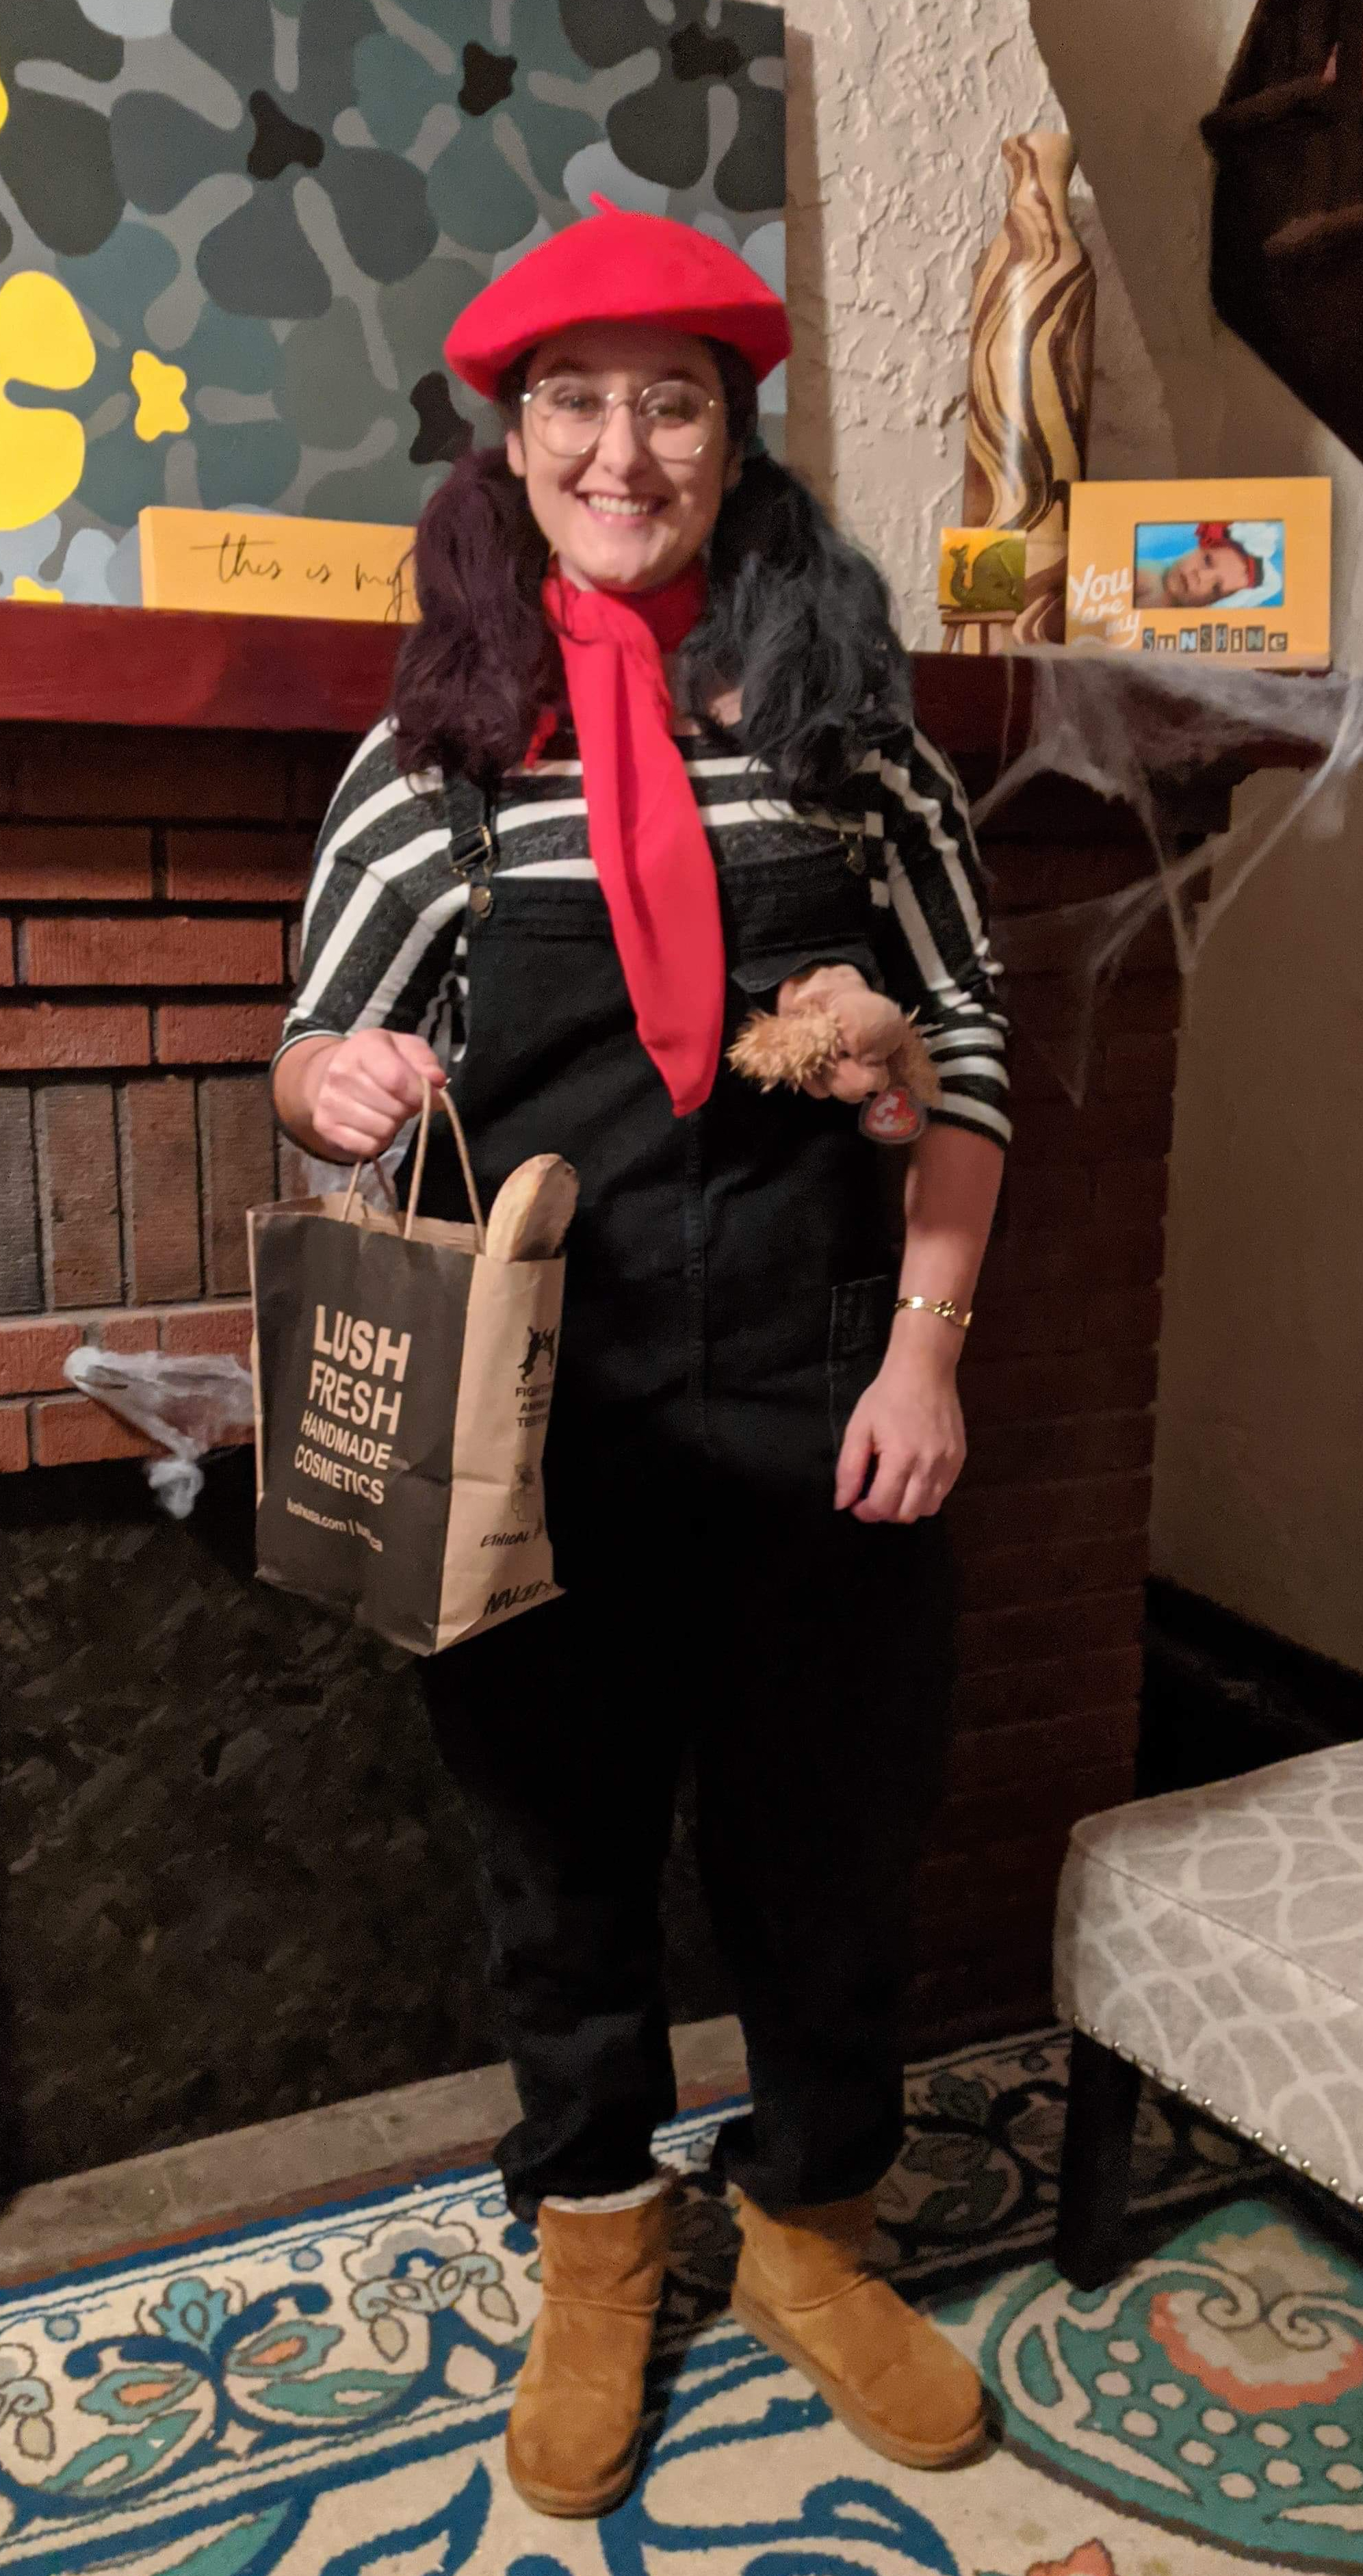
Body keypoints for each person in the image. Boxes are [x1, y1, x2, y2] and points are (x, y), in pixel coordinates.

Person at [272, 202, 1009, 2519]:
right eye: (575, 402)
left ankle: (809, 2229)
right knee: (559, 1859)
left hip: (824, 1396)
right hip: (537, 1433)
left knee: (833, 1854)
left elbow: (969, 1052)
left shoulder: (848, 749)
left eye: (672, 402)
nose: (623, 447)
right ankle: (596, 2240)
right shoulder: (432, 764)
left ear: (732, 439)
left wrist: (926, 1354)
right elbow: (311, 1041)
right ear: (513, 444)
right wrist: (336, 1081)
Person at [1134, 517, 1277, 609]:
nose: (1201, 577)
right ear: (1201, 546)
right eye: (1207, 561)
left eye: (1216, 588)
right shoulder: (1149, 579)